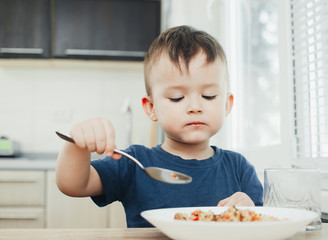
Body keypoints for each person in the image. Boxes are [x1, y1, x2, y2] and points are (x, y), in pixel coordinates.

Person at [56, 25, 263, 228]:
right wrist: (77, 144)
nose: (195, 107)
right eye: (177, 97)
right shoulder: (135, 163)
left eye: (208, 96)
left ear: (227, 104)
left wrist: (250, 209)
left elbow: (262, 223)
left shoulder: (239, 169)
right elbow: (73, 184)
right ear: (151, 108)